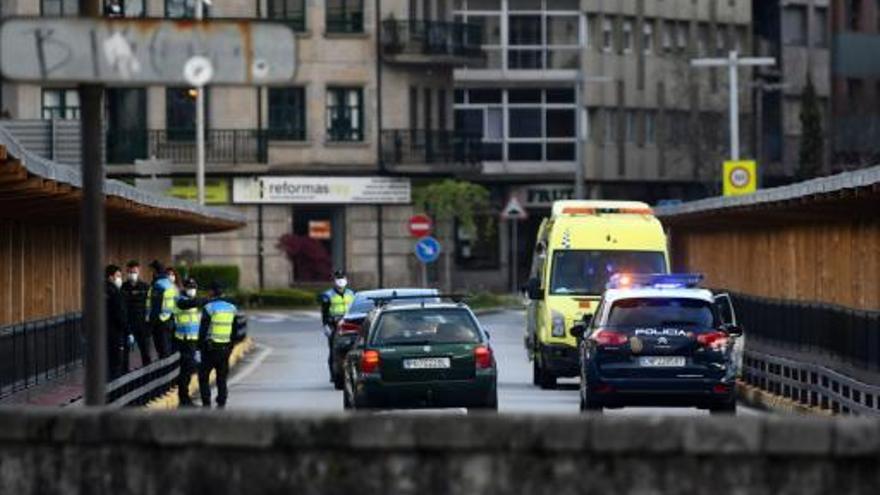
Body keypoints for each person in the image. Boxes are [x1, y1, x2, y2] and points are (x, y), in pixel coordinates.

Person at [198, 282, 239, 409]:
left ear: (211, 292)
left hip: (210, 349)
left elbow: (203, 331)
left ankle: (206, 403)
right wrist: (230, 347)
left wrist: (199, 348)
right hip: (225, 348)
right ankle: (222, 400)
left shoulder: (209, 308)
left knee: (203, 377)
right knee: (221, 377)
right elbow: (234, 331)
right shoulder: (232, 308)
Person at [319, 270, 355, 380]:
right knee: (333, 350)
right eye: (338, 278)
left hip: (349, 324)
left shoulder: (351, 293)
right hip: (334, 325)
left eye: (342, 278)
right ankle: (333, 374)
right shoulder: (328, 295)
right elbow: (324, 312)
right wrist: (325, 325)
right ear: (334, 280)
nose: (340, 281)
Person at [173, 278, 202, 407]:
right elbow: (184, 305)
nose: (192, 289)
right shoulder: (180, 300)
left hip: (192, 340)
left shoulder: (192, 302)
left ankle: (185, 398)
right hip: (183, 340)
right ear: (184, 288)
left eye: (194, 287)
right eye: (189, 287)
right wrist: (203, 301)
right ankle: (183, 399)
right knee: (185, 371)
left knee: (188, 370)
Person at [121, 260, 152, 369]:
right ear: (127, 272)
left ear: (138, 271)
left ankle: (148, 375)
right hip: (128, 325)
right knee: (124, 354)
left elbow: (149, 305)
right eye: (130, 272)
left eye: (134, 272)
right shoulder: (123, 287)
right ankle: (124, 375)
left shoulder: (145, 287)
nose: (132, 274)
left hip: (143, 325)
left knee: (146, 353)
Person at [147, 260, 178, 359]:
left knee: (164, 352)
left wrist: (154, 322)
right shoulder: (163, 284)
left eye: (151, 271)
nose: (151, 273)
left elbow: (161, 308)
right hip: (164, 322)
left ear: (155, 271)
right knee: (164, 351)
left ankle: (166, 373)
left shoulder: (161, 285)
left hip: (162, 323)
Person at [104, 265, 127, 380]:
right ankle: (115, 395)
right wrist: (127, 331)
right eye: (118, 276)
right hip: (115, 335)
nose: (120, 278)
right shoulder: (116, 293)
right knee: (116, 365)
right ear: (110, 277)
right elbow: (121, 316)